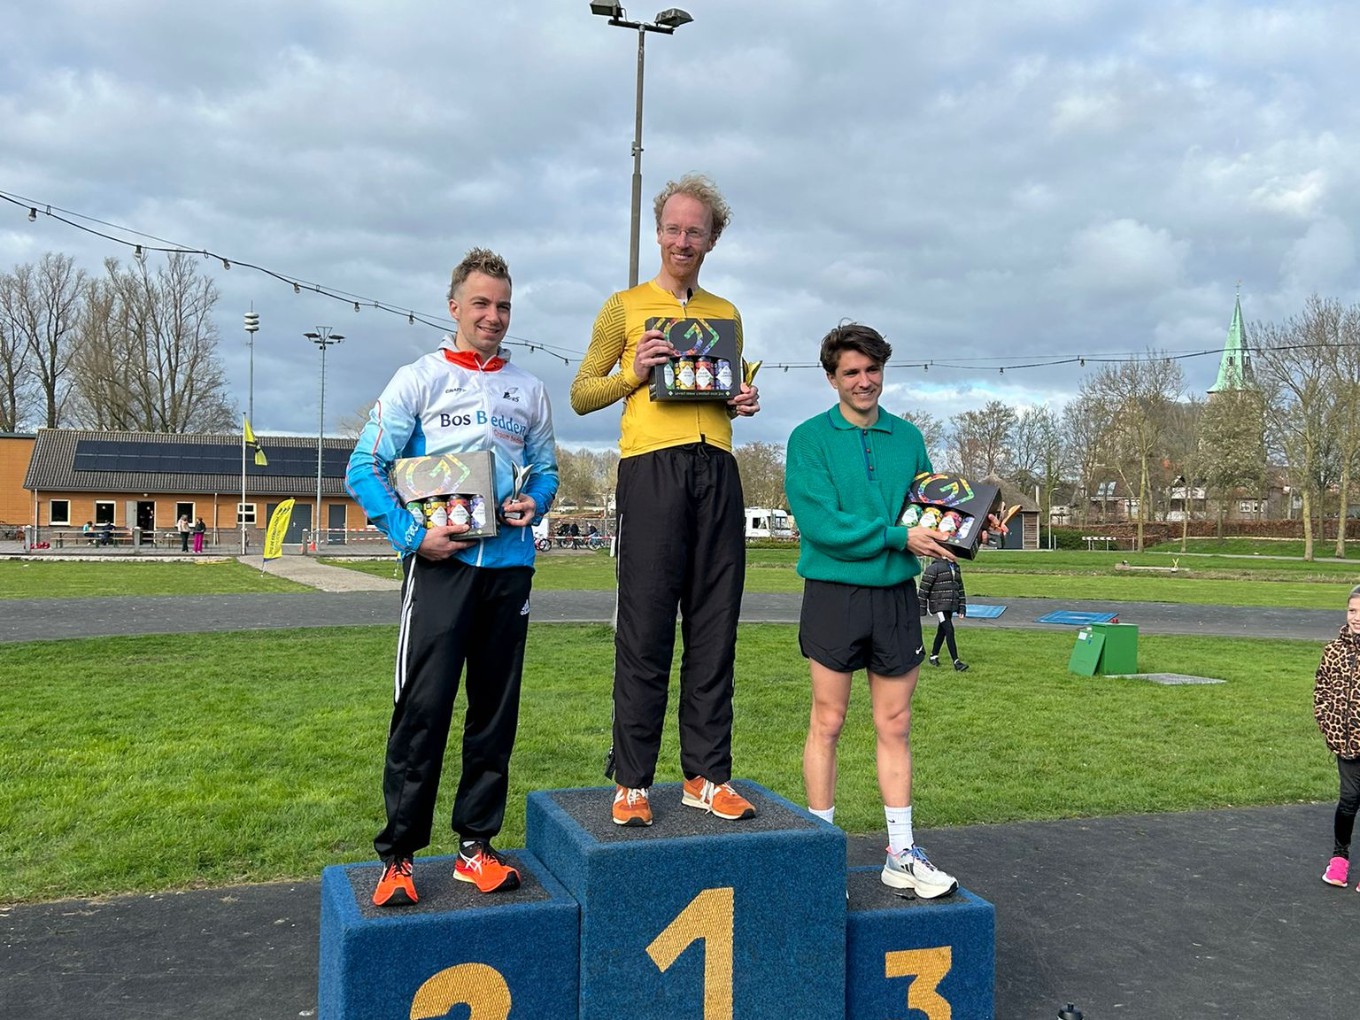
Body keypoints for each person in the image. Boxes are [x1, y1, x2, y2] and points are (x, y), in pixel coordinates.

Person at [345, 248, 559, 906]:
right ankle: (399, 858)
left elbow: (546, 470)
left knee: (494, 715)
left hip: (510, 570)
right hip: (442, 569)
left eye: (502, 306)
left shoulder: (529, 389)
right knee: (424, 711)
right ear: (454, 307)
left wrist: (536, 503)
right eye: (481, 304)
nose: (493, 316)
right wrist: (414, 537)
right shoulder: (418, 380)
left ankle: (475, 847)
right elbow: (362, 469)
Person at [785, 323, 1001, 899]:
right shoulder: (808, 439)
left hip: (895, 598)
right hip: (834, 594)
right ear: (832, 378)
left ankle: (901, 853)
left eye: (872, 369)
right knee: (827, 723)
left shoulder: (907, 438)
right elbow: (821, 525)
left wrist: (976, 526)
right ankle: (819, 855)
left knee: (895, 724)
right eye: (851, 372)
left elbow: (931, 514)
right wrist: (894, 537)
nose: (864, 381)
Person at [571, 173, 760, 827]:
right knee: (647, 628)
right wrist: (634, 373)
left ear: (713, 238)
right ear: (659, 232)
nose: (683, 239)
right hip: (650, 473)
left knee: (715, 628)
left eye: (695, 230)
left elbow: (730, 389)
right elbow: (581, 393)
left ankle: (706, 776)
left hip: (720, 472)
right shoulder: (624, 307)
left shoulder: (726, 314)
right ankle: (632, 783)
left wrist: (742, 400)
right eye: (674, 228)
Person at [1314, 584, 1360, 889]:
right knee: (1348, 801)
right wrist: (1330, 728)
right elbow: (1321, 691)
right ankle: (1339, 858)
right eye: (1353, 611)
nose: (1356, 618)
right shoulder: (1333, 650)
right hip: (1347, 744)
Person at [917, 556, 968, 671]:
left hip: (950, 605)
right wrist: (922, 609)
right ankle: (956, 662)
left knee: (942, 631)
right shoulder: (934, 568)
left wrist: (962, 608)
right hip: (939, 605)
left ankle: (933, 655)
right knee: (949, 630)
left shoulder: (955, 567)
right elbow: (924, 589)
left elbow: (960, 589)